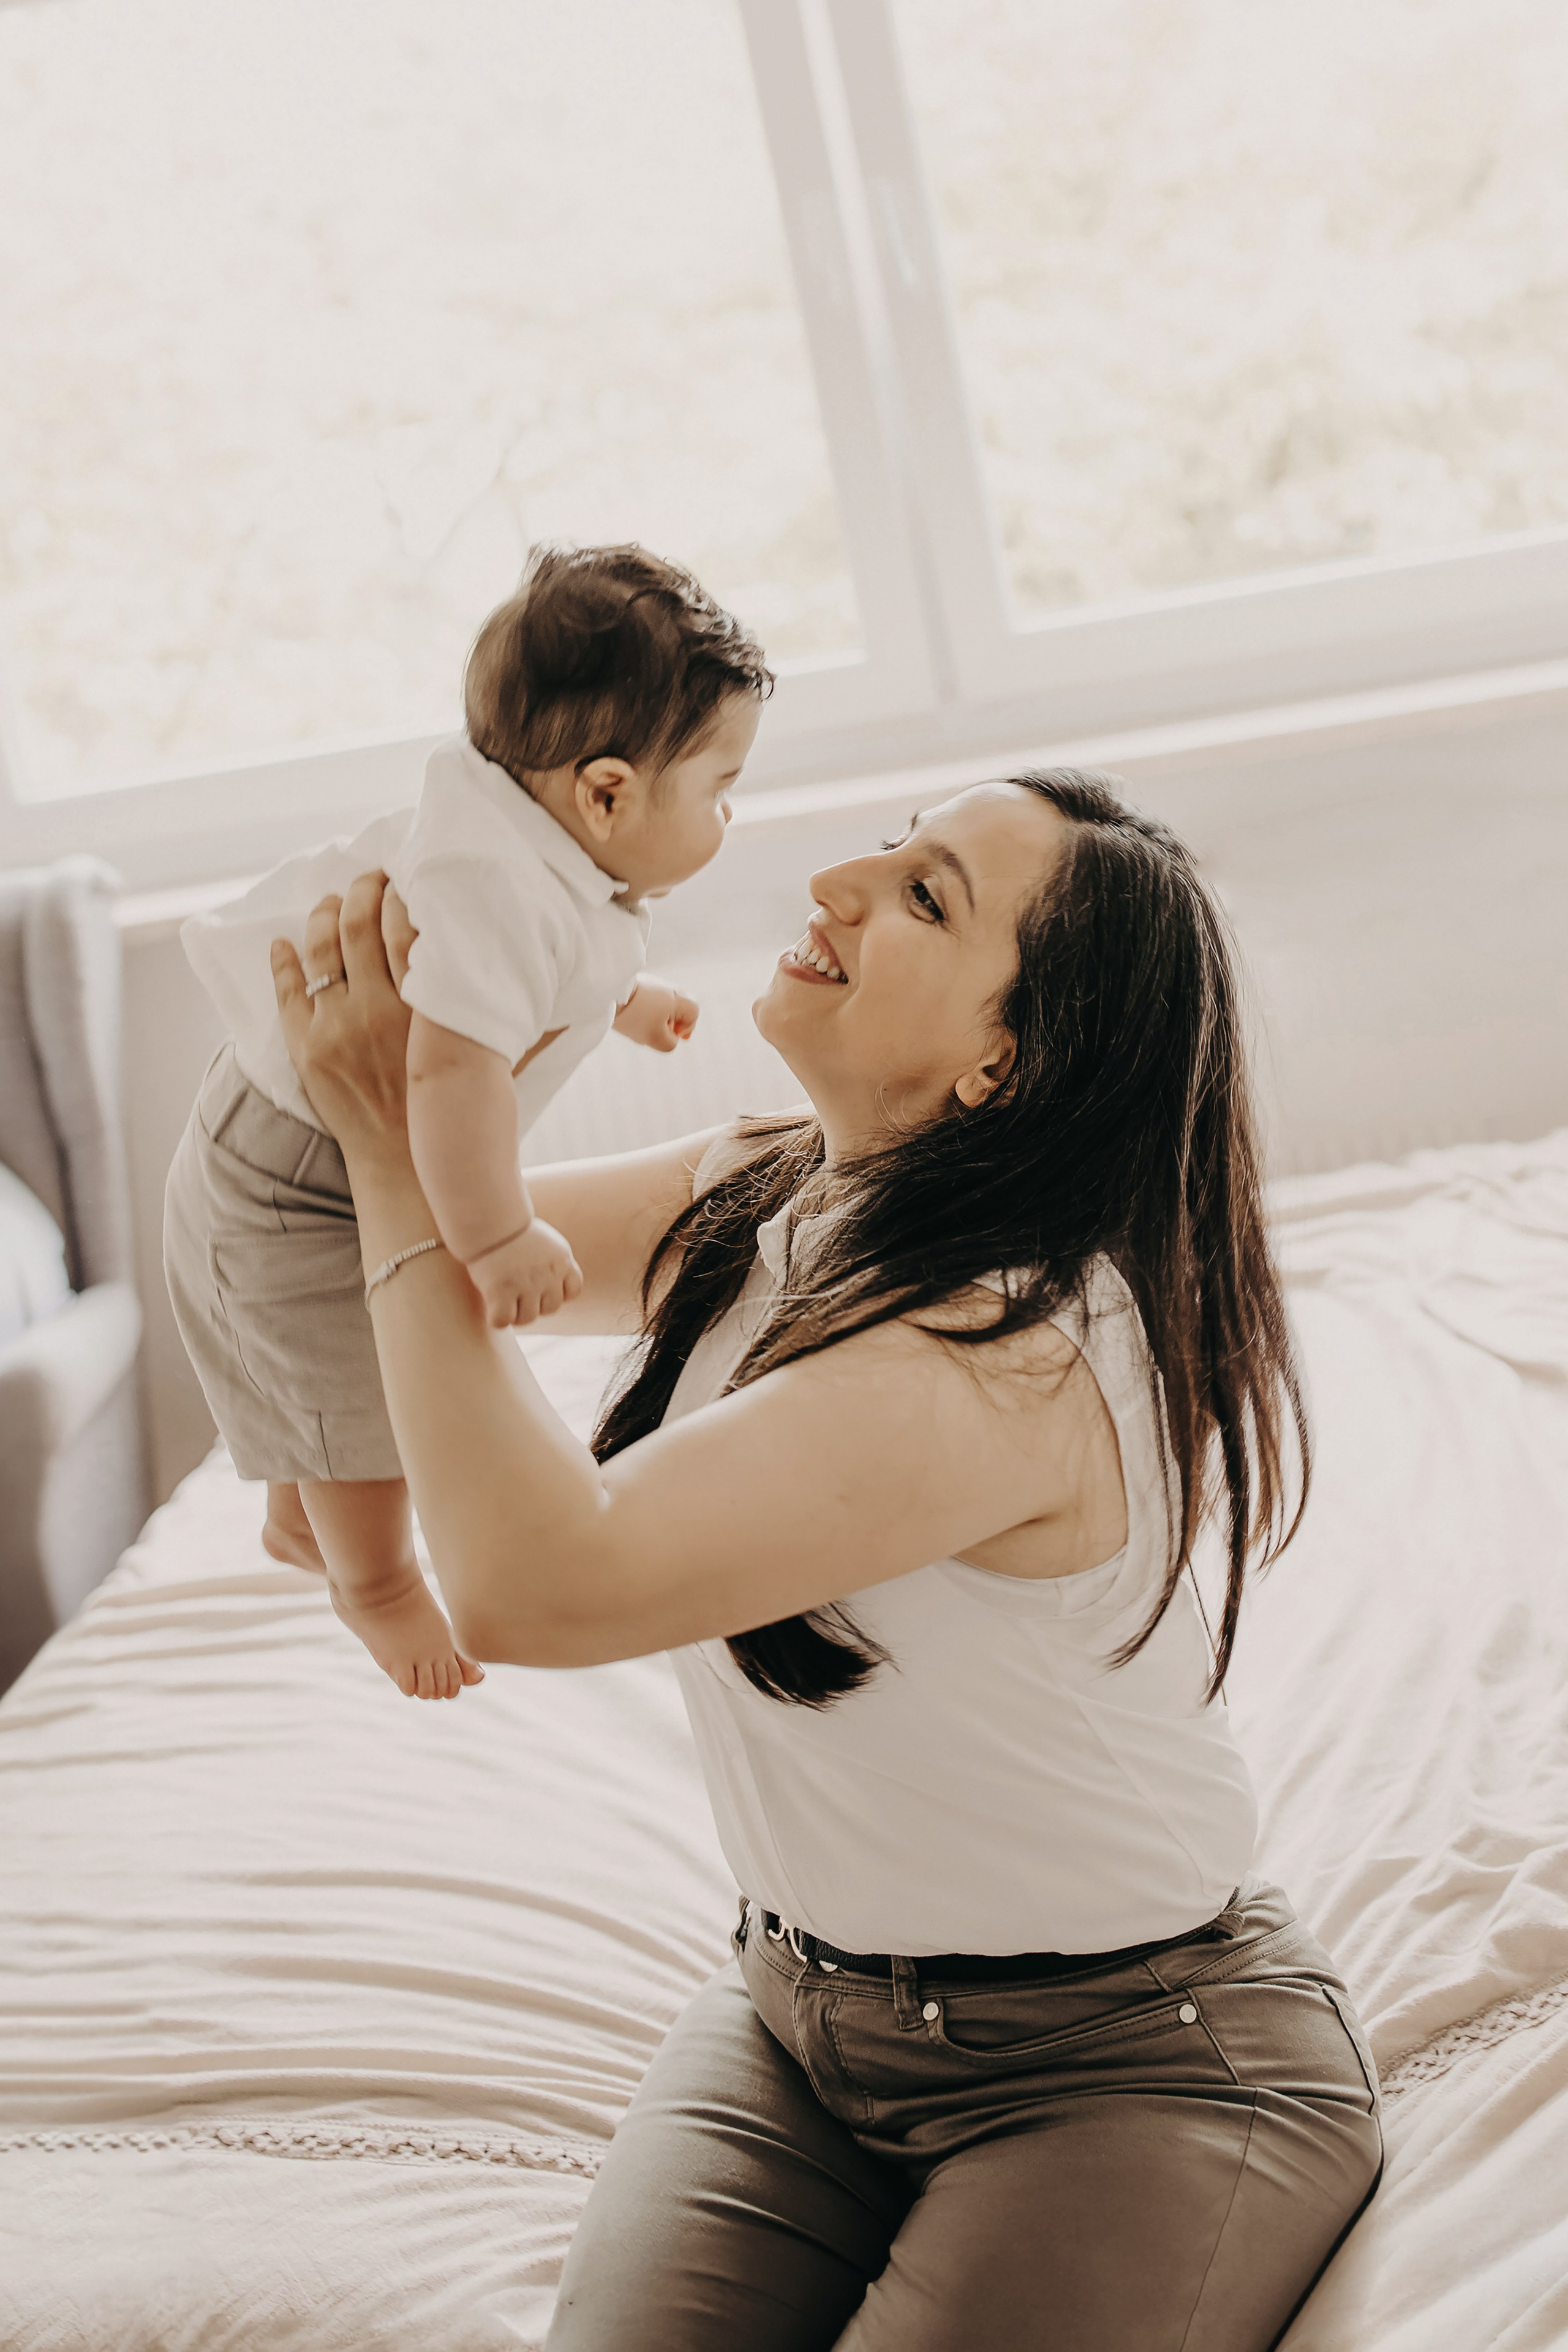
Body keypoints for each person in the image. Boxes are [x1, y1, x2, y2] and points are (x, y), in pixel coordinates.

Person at [270, 768, 1383, 2350]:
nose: (840, 885)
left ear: (1012, 1057)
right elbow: (383, 1259)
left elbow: (537, 1590)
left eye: (927, 894)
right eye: (891, 847)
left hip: (1127, 2064)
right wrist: (435, 1053)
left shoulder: (1013, 1347)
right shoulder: (766, 1192)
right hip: (795, 2019)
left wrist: (398, 1142)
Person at [165, 542, 768, 1700]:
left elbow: (531, 974)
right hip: (295, 1169)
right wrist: (493, 1241)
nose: (731, 816)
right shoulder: (498, 887)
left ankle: (301, 1514)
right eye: (721, 789)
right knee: (362, 1371)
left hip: (294, 1133)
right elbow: (442, 1077)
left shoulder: (531, 856)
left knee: (327, 1366)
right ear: (606, 792)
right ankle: (376, 1580)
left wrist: (628, 1006)